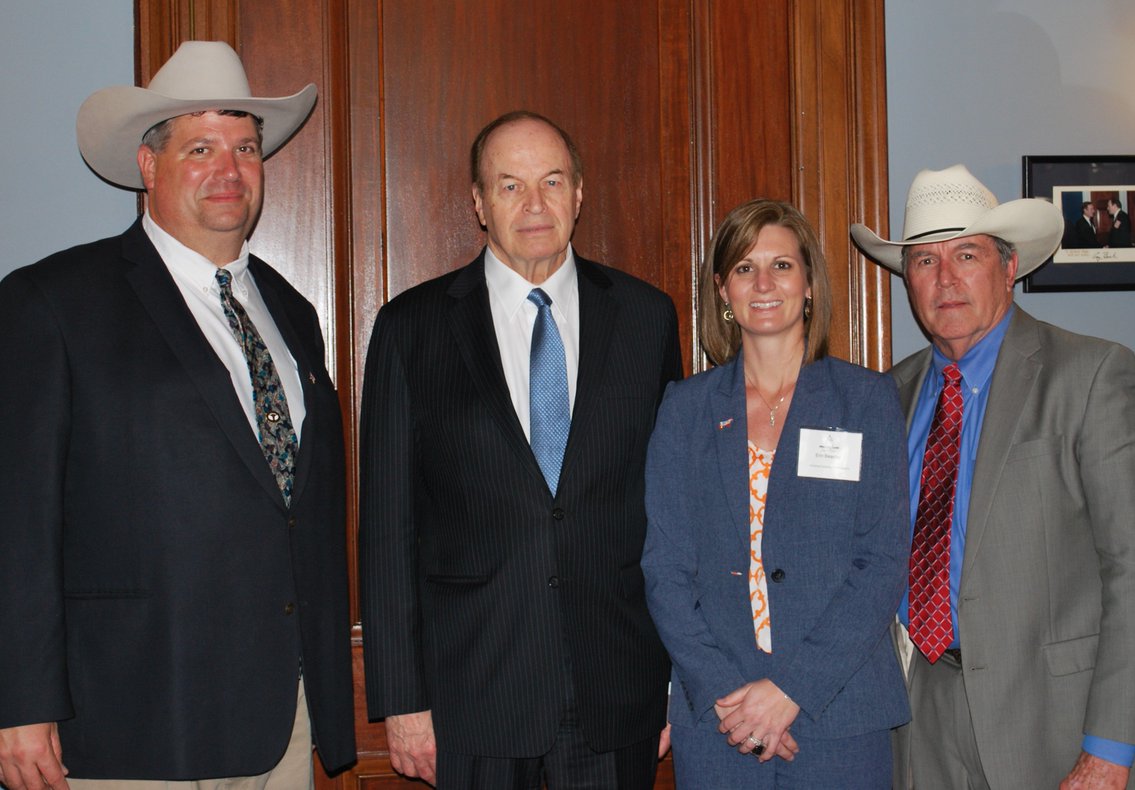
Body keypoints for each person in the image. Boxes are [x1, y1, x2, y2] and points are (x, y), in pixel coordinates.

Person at [0, 41, 355, 789]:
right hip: (131, 716)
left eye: (246, 148)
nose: (229, 169)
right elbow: (16, 518)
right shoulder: (54, 301)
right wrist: (20, 702)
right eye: (200, 148)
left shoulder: (292, 312)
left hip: (282, 718)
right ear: (149, 165)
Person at [358, 110, 682, 789]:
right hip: (472, 698)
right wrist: (402, 701)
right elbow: (387, 529)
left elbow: (672, 514)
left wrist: (673, 677)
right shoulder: (411, 329)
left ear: (579, 193)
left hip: (617, 690)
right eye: (510, 185)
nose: (535, 203)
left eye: (552, 181)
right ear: (479, 203)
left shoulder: (646, 319)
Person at [850, 164, 1135, 790]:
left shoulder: (1092, 375)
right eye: (924, 261)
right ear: (907, 280)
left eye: (967, 255)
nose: (945, 278)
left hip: (1062, 728)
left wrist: (1108, 752)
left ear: (1008, 268)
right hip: (921, 718)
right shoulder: (888, 395)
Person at [641, 199, 911, 788]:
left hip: (838, 711)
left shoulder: (866, 401)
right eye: (744, 268)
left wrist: (792, 689)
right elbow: (665, 568)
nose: (763, 284)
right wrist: (728, 695)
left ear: (809, 283)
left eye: (781, 266)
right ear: (723, 290)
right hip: (721, 719)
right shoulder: (685, 410)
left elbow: (882, 562)